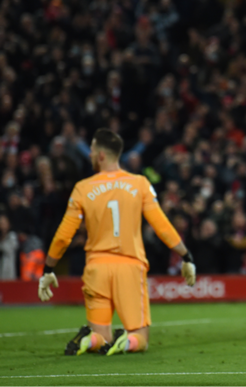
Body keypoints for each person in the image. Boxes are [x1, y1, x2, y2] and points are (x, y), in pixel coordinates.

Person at [37, 128, 196, 356]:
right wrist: (185, 256)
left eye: (91, 150)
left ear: (101, 155)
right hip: (129, 268)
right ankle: (127, 340)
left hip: (96, 269)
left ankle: (90, 339)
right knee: (140, 338)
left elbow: (63, 235)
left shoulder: (83, 188)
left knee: (102, 336)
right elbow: (161, 225)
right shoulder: (139, 184)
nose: (90, 155)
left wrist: (48, 269)